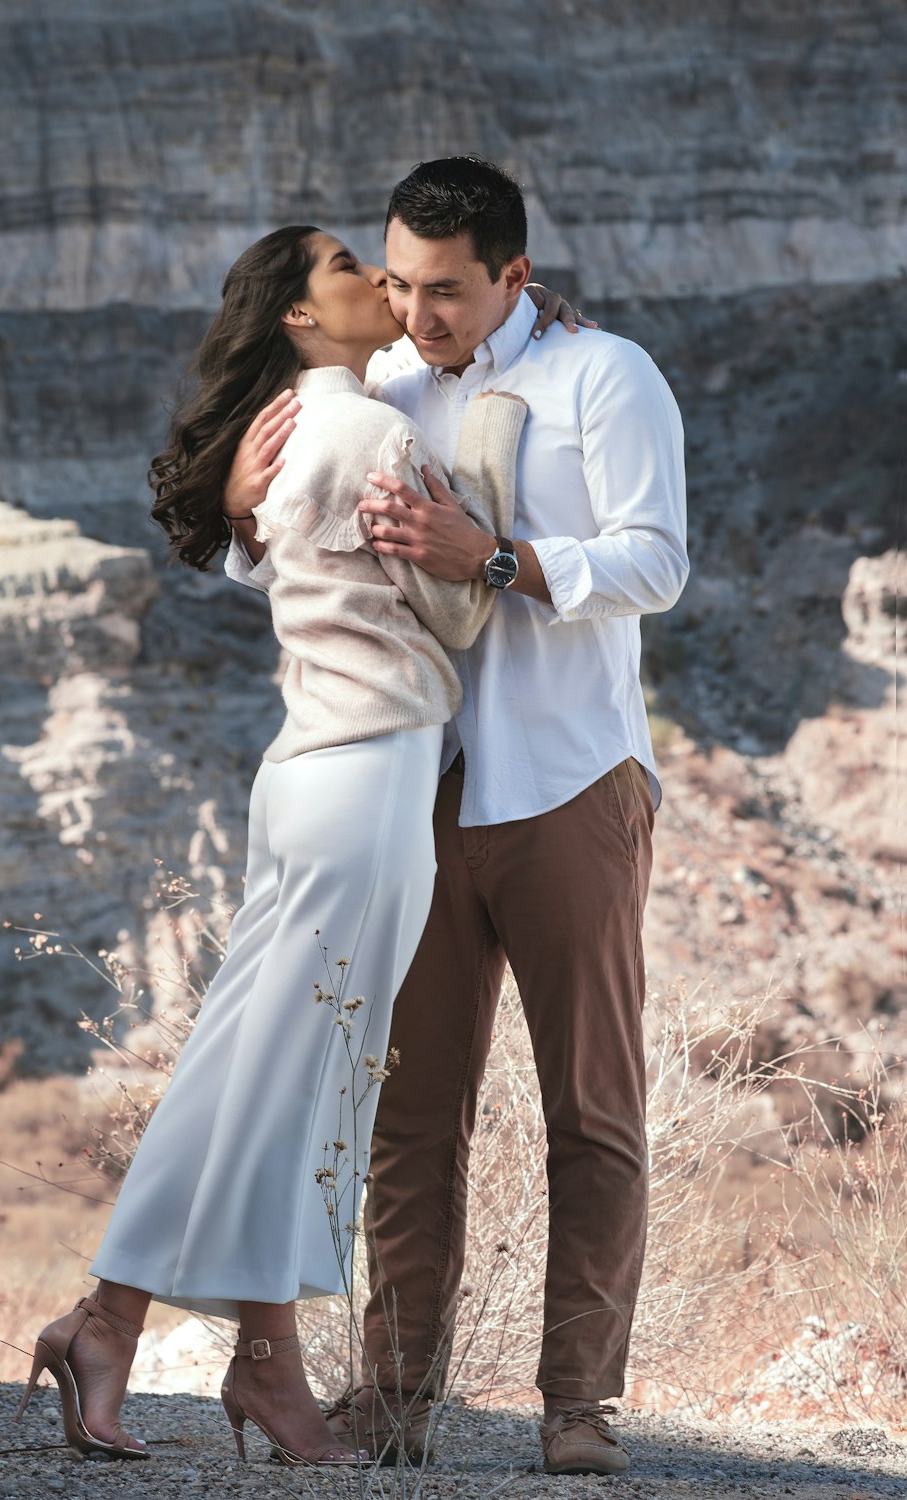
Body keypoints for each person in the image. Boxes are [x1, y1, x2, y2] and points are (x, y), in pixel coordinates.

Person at [16, 223, 532, 1469]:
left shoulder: (296, 434)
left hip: (315, 776)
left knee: (267, 1068)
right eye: (351, 268)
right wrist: (489, 535)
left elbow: (301, 571)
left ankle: (154, 1334)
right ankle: (189, 1345)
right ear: (302, 315)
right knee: (301, 1079)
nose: (378, 285)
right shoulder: (376, 436)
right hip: (369, 781)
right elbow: (456, 612)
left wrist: (249, 523)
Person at [225, 157, 688, 1478]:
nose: (418, 313)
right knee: (411, 1114)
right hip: (420, 794)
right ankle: (392, 1403)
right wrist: (241, 510)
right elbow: (255, 549)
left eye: (447, 292)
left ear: (514, 278)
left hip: (570, 787)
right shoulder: (379, 387)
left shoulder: (606, 380)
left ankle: (578, 1407)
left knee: (591, 1106)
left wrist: (484, 555)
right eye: (399, 284)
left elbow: (656, 560)